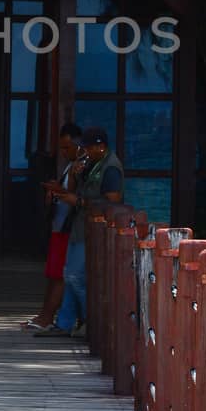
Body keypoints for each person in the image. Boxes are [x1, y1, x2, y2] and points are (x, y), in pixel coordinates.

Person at [35, 125, 123, 339]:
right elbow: (79, 191)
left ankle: (93, 322)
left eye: (89, 147)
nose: (85, 151)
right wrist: (73, 181)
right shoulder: (93, 164)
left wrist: (79, 201)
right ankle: (64, 324)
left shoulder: (110, 167)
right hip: (79, 227)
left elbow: (113, 201)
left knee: (74, 277)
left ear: (100, 147)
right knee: (70, 275)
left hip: (93, 229)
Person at [26, 122, 83, 332]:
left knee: (60, 275)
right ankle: (45, 315)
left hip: (70, 228)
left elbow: (78, 197)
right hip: (59, 226)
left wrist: (58, 191)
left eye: (68, 147)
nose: (64, 151)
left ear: (79, 145)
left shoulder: (79, 166)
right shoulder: (70, 165)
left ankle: (48, 316)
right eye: (62, 147)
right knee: (53, 274)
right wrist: (54, 193)